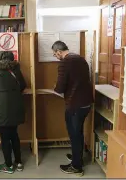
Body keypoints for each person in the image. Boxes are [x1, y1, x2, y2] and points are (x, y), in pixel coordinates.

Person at [52, 41, 93, 176]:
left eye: (54, 54)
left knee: (74, 134)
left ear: (58, 51)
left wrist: (55, 89)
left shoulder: (65, 62)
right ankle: (77, 157)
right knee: (78, 132)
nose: (55, 56)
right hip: (86, 102)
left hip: (75, 104)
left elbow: (60, 87)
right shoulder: (80, 58)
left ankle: (76, 167)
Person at [0, 51, 26, 174]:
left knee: (5, 137)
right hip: (16, 105)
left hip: (2, 107)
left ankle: (8, 165)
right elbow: (23, 85)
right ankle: (18, 163)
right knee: (14, 135)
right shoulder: (15, 69)